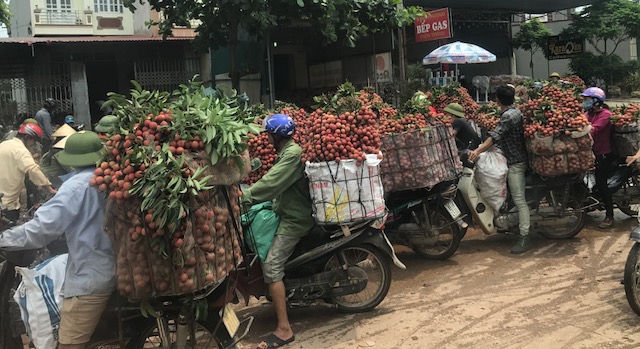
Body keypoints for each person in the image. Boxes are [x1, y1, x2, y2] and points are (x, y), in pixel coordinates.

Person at [0, 131, 115, 349]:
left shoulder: (76, 187)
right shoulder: (108, 177)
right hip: (109, 265)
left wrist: (4, 239)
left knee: (68, 344)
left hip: (92, 276)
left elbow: (41, 230)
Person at [241, 114, 314, 349]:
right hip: (285, 213)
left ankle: (284, 328)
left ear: (276, 136)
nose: (267, 140)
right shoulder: (287, 152)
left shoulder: (292, 155)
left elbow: (272, 183)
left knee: (271, 265)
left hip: (295, 219)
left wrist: (245, 197)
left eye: (269, 135)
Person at [469, 85, 531, 254]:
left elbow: (495, 136)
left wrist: (478, 151)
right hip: (509, 158)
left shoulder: (509, 116)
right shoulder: (513, 112)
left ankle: (525, 236)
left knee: (520, 200)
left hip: (515, 162)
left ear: (497, 100)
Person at [0, 123, 56, 222]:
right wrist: (49, 188)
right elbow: (32, 170)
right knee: (8, 235)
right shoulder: (21, 151)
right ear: (26, 137)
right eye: (33, 142)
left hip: (3, 200)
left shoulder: (3, 144)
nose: (33, 145)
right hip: (7, 205)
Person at [582, 87, 614, 229]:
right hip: (590, 152)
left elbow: (593, 130)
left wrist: (579, 128)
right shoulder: (588, 113)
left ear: (596, 101)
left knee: (601, 184)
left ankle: (609, 215)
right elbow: (581, 121)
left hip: (603, 153)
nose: (584, 102)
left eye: (587, 99)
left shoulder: (606, 114)